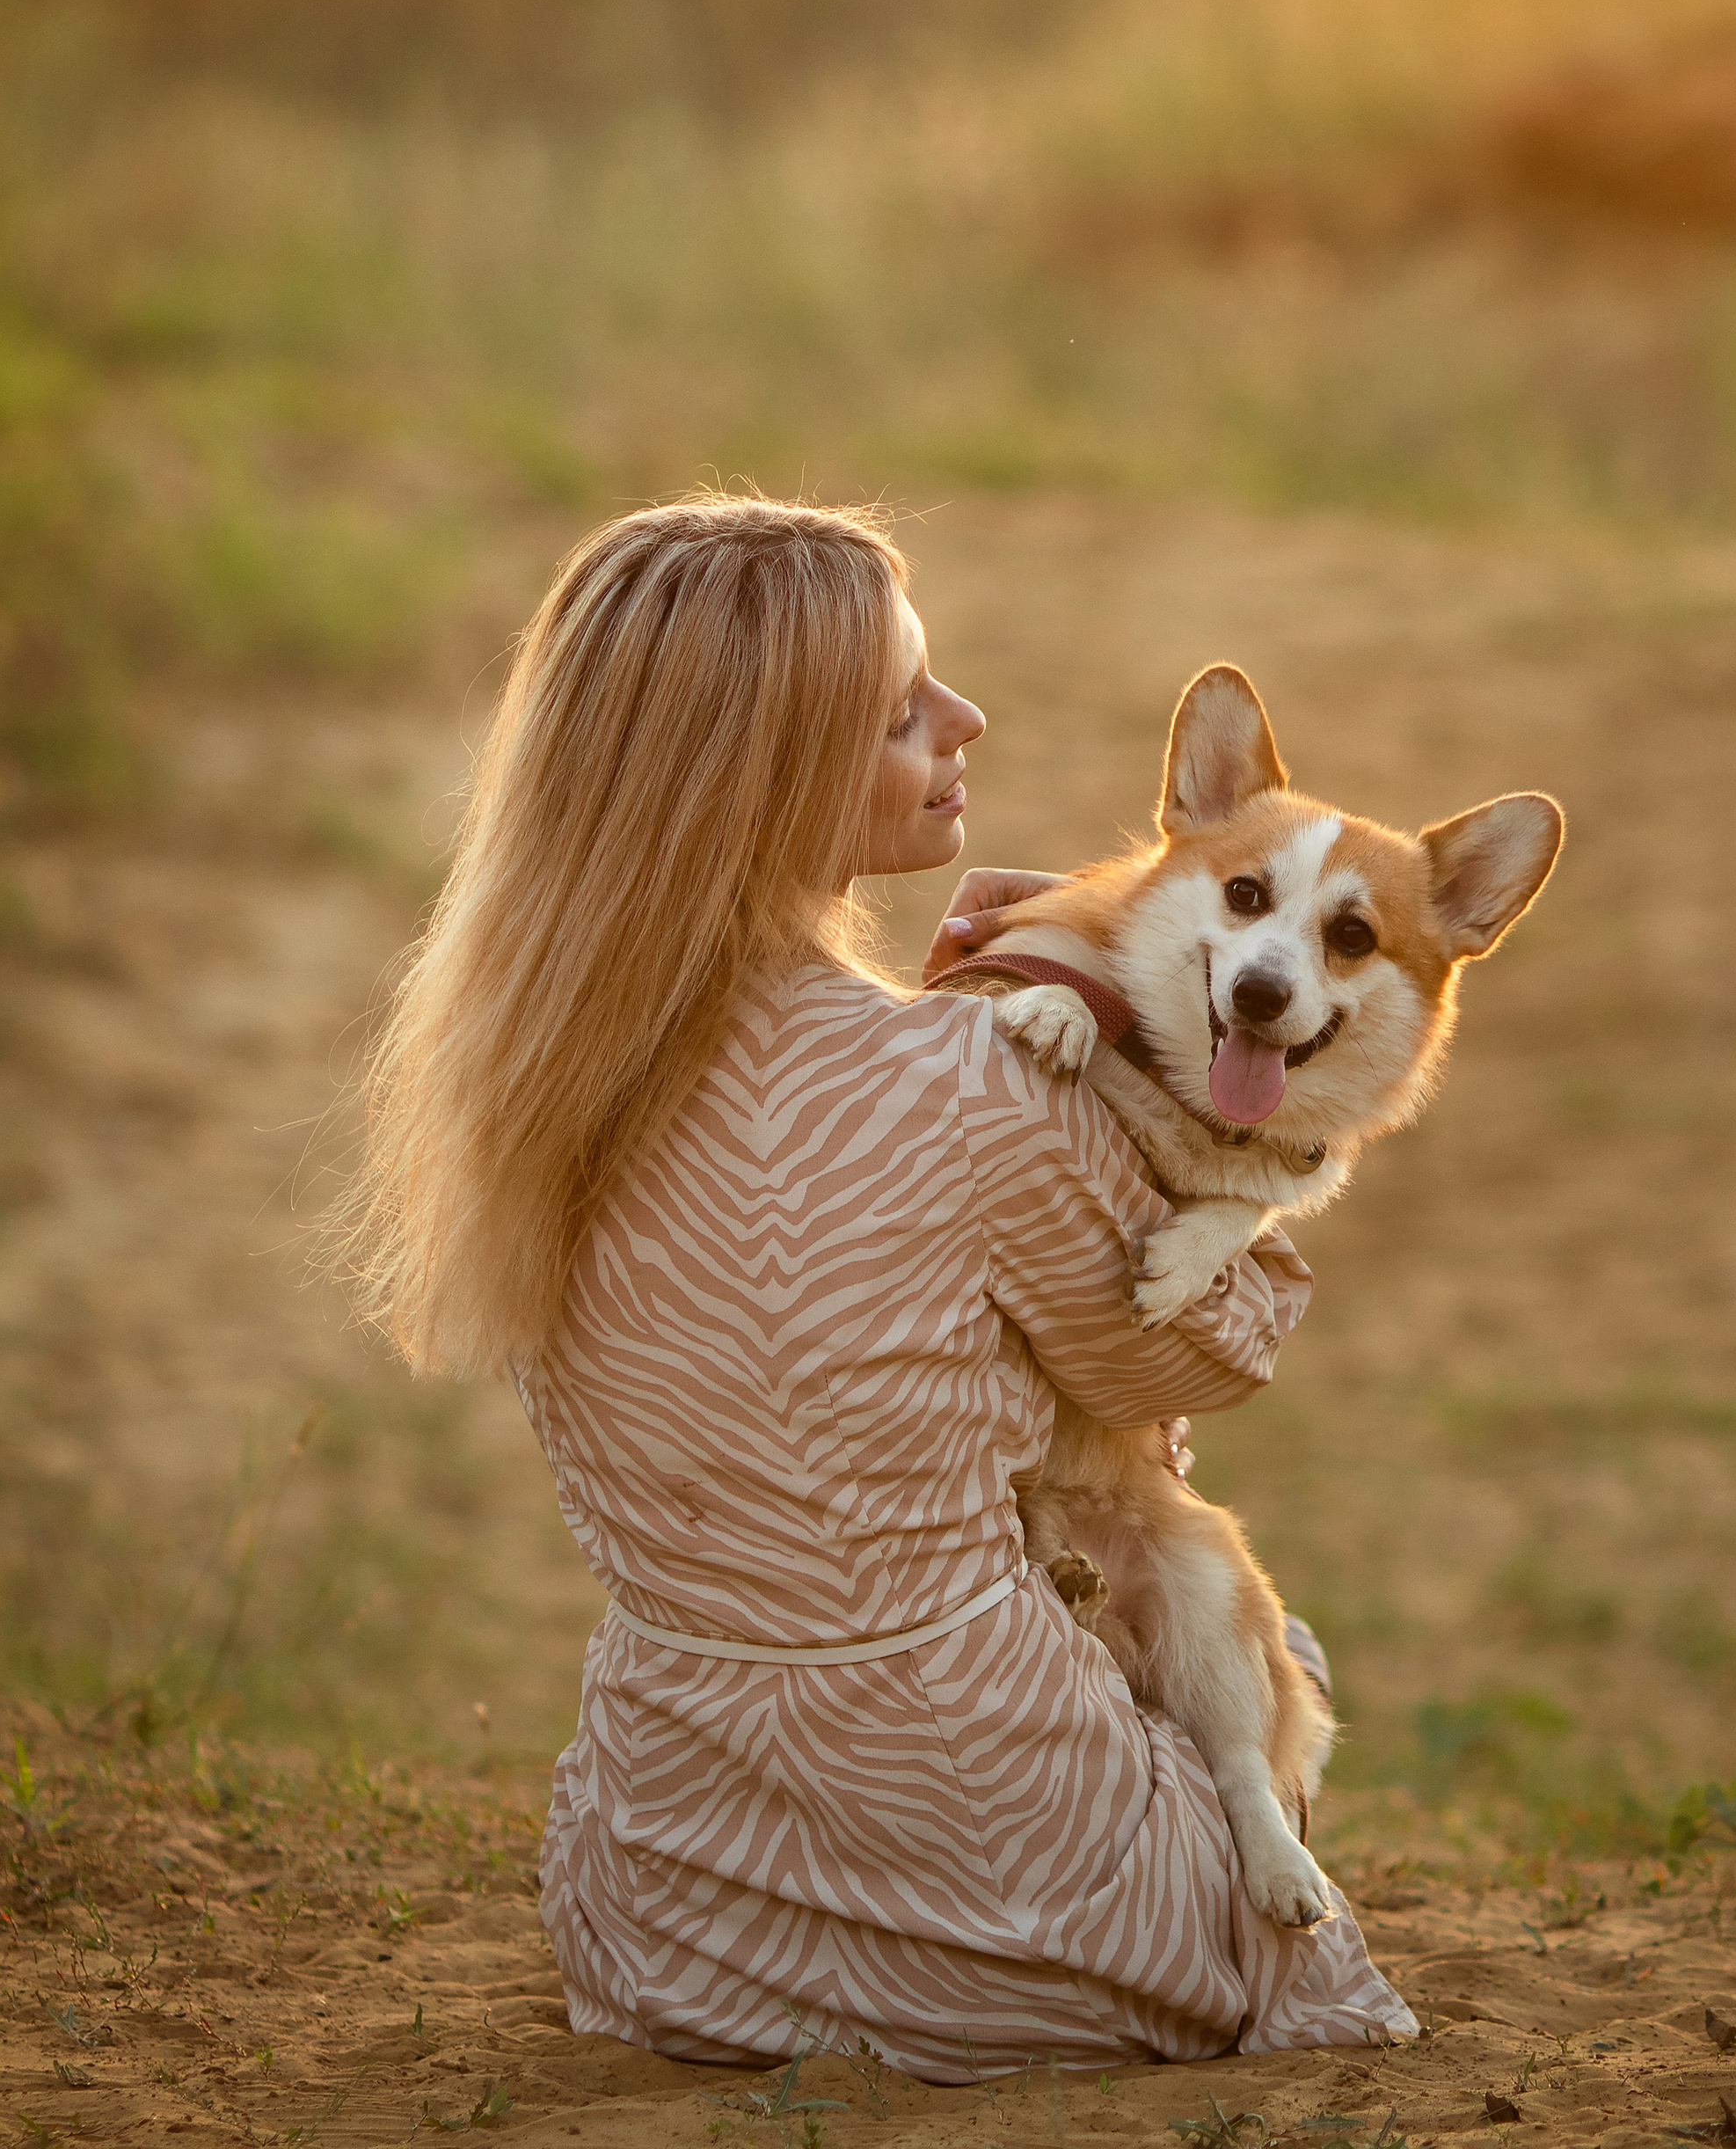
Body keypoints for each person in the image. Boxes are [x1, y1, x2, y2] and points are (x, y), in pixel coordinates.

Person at [338, 492, 1410, 2080]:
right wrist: (1117, 1024)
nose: (965, 720)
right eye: (905, 711)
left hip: (667, 1916)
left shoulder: (537, 1079)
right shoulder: (973, 1075)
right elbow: (1189, 1366)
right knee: (1278, 1661)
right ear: (768, 778)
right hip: (1017, 1908)